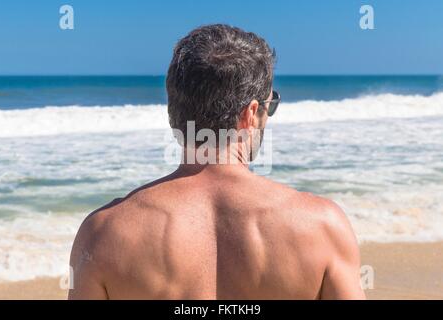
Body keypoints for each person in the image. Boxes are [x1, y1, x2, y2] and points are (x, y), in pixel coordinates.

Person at [68, 24, 365, 300]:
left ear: (174, 111)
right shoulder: (323, 226)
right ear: (250, 114)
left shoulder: (104, 234)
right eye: (269, 104)